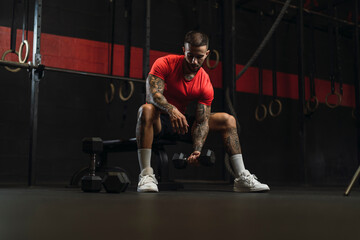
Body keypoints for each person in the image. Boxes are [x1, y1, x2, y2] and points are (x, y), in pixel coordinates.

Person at [135, 30, 269, 193]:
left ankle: (241, 177)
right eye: (190, 55)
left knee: (227, 120)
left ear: (207, 54)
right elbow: (152, 95)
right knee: (146, 109)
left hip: (182, 125)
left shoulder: (205, 82)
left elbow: (201, 121)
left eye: (199, 57)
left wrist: (197, 149)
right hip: (159, 122)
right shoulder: (165, 63)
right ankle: (146, 175)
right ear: (184, 50)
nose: (194, 61)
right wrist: (172, 109)